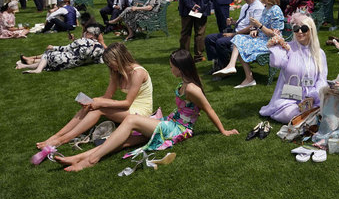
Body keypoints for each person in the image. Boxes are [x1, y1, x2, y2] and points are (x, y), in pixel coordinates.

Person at [55, 49, 238, 172]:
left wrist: (224, 131)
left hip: (179, 129)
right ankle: (78, 157)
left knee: (131, 120)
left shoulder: (192, 89)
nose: (170, 68)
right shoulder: (185, 83)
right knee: (125, 139)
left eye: (172, 65)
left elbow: (209, 109)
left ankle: (90, 160)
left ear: (180, 67)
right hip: (170, 122)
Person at [34, 42, 153, 150]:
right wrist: (91, 102)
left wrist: (99, 103)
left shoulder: (138, 73)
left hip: (141, 111)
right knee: (90, 106)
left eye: (110, 63)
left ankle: (62, 140)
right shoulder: (116, 72)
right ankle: (57, 136)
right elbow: (107, 96)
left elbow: (127, 103)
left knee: (99, 109)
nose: (110, 67)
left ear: (120, 58)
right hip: (129, 108)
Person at [213, 0, 285, 88]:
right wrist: (256, 31)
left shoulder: (275, 10)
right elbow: (263, 29)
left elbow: (274, 34)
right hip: (262, 38)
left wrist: (258, 25)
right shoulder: (266, 9)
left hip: (271, 42)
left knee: (240, 43)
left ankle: (247, 77)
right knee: (238, 39)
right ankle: (234, 67)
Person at [260, 14, 328, 123]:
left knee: (325, 109)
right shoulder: (288, 48)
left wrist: (313, 95)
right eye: (296, 29)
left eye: (304, 29)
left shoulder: (319, 53)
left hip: (311, 99)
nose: (300, 32)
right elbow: (276, 62)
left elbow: (322, 79)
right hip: (288, 98)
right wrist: (276, 45)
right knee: (290, 114)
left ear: (312, 30)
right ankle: (308, 117)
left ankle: (309, 116)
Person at [204, 0, 264, 75]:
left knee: (221, 42)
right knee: (209, 38)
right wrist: (233, 22)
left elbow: (253, 27)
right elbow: (243, 22)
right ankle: (218, 64)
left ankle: (225, 67)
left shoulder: (258, 8)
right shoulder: (245, 6)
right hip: (236, 32)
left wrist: (234, 34)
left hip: (245, 36)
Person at [16, 24, 104, 73]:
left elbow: (66, 48)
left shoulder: (82, 40)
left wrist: (53, 47)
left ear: (91, 35)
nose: (85, 33)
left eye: (87, 32)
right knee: (50, 60)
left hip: (63, 62)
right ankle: (26, 65)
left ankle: (37, 69)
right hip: (73, 64)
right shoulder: (100, 48)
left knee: (49, 54)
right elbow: (100, 60)